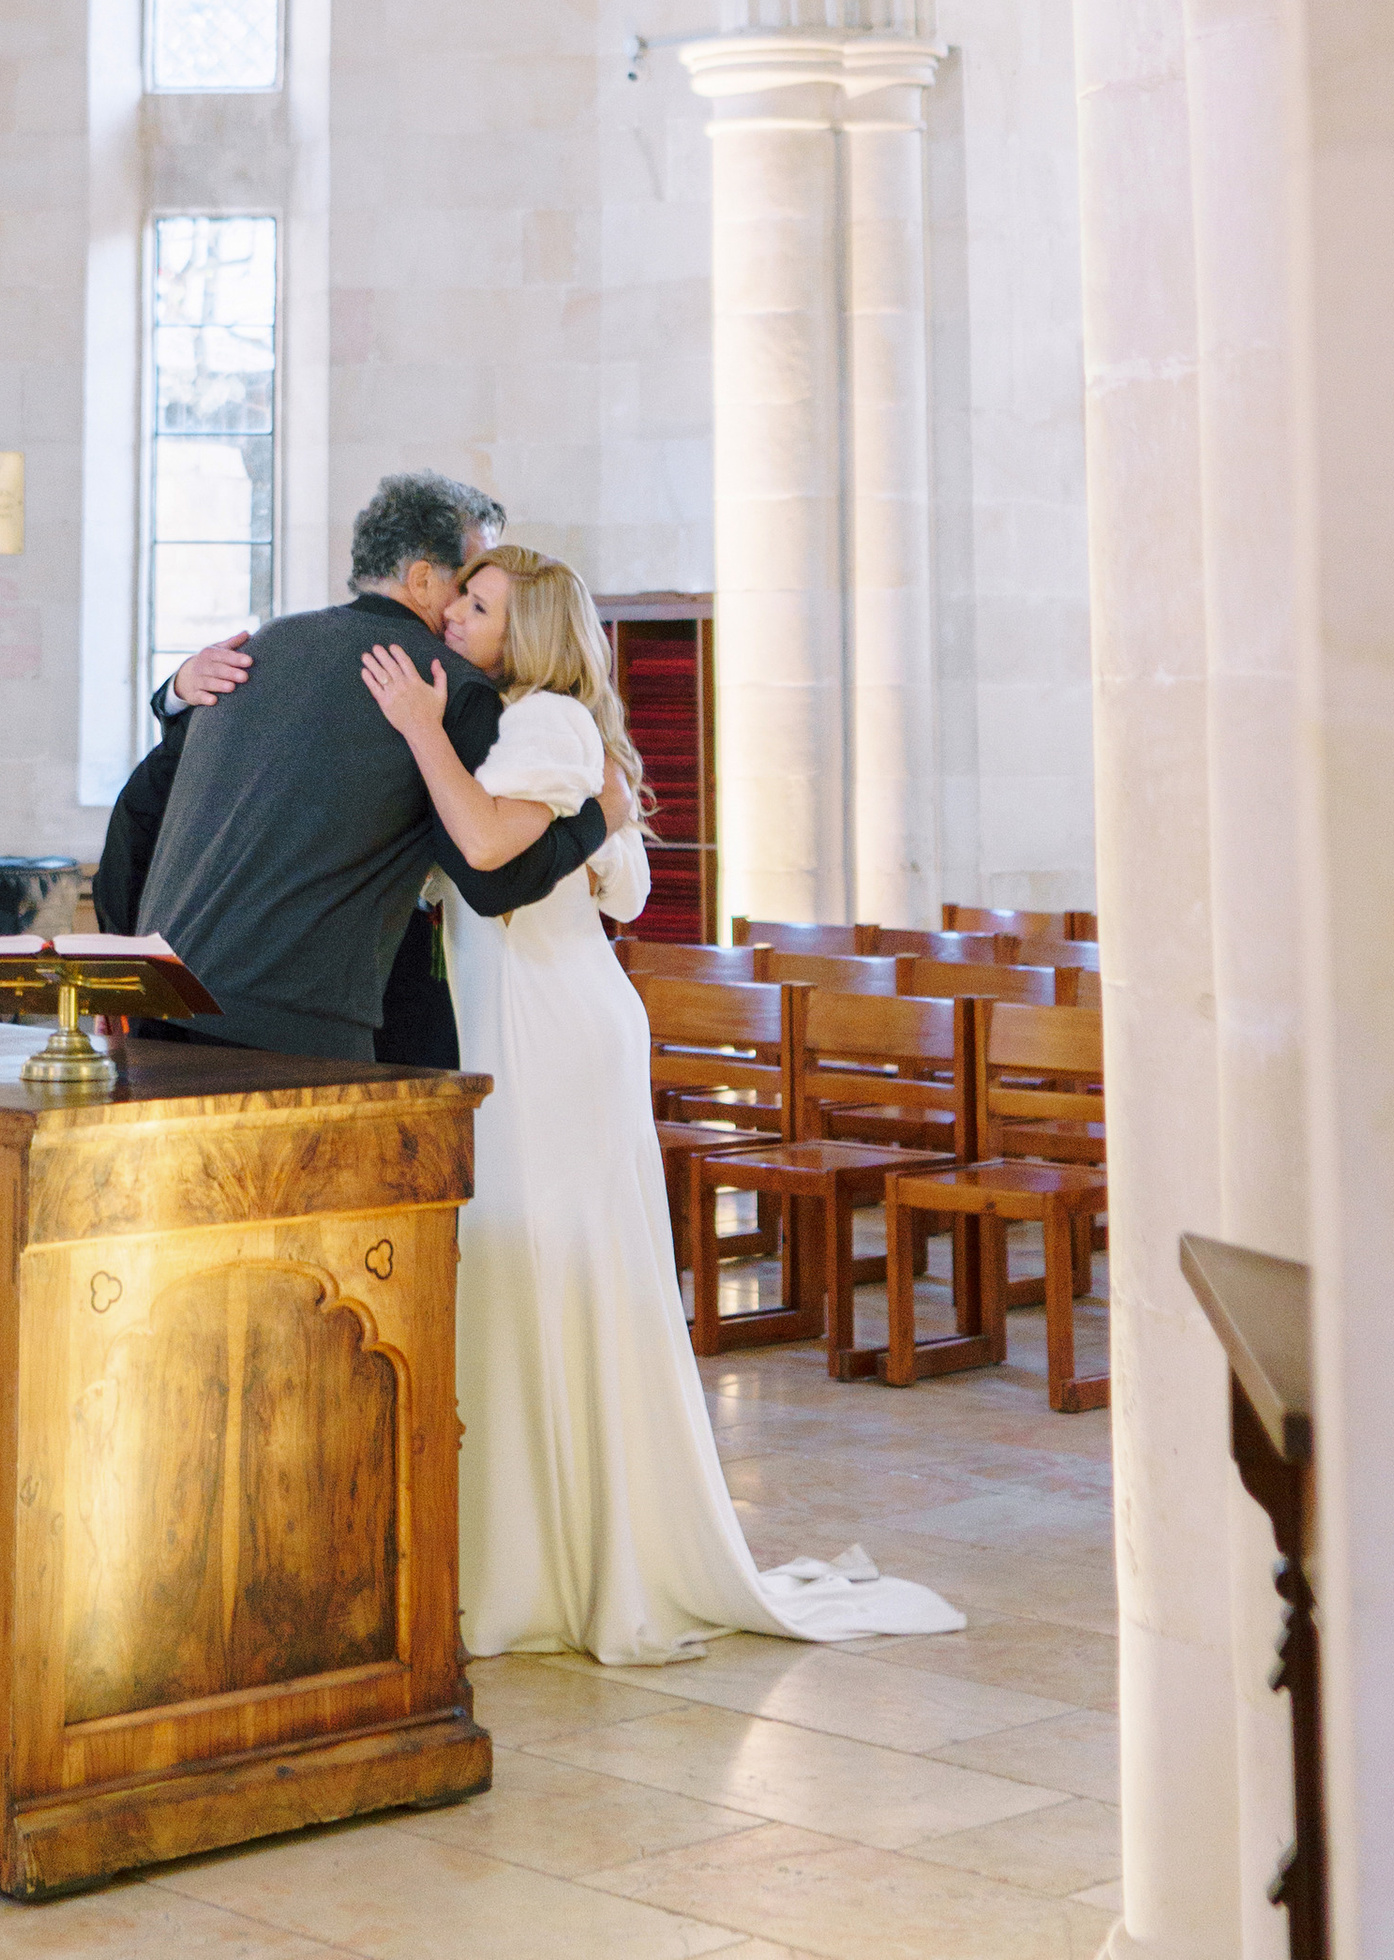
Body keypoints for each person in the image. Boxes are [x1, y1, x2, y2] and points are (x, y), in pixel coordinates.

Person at [362, 547, 963, 1663]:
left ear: (530, 631)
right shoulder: (517, 728)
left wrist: (417, 731)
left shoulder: (549, 724)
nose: (454, 612)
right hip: (516, 1018)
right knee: (519, 1265)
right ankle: (525, 1549)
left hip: (554, 1024)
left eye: (480, 605)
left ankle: (571, 1565)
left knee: (548, 1259)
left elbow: (491, 846)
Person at [131, 476, 617, 1066]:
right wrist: (599, 815)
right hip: (288, 1022)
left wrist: (170, 692)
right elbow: (494, 880)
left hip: (161, 996)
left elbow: (144, 801)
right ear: (422, 579)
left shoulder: (258, 645)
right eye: (466, 583)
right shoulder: (443, 682)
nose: (463, 607)